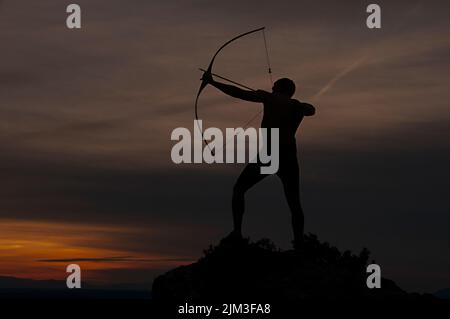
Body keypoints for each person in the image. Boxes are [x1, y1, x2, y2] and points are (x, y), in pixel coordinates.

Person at [202, 71, 315, 248]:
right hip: (288, 158)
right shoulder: (296, 106)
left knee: (240, 189)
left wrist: (213, 82)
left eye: (274, 88)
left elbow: (239, 93)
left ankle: (238, 233)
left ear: (280, 89)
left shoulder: (281, 101)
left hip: (271, 155)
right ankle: (299, 243)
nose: (271, 89)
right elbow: (311, 110)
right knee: (293, 202)